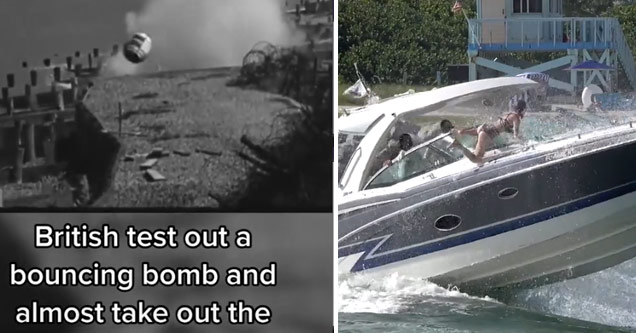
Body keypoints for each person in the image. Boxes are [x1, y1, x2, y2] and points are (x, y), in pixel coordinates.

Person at [450, 100, 527, 165]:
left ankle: (459, 131)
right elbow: (515, 135)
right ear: (522, 109)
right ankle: (459, 146)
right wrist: (524, 142)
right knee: (477, 159)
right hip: (487, 133)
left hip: (484, 128)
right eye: (525, 110)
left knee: (468, 133)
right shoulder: (516, 118)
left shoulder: (509, 114)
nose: (524, 113)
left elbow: (503, 126)